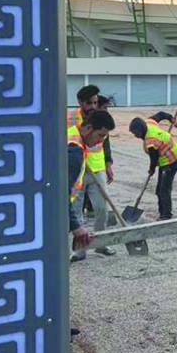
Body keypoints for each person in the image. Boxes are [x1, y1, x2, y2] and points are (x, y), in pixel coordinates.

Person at [68, 111, 115, 261]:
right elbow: (60, 193)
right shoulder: (74, 151)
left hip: (97, 170)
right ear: (88, 128)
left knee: (101, 208)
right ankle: (78, 251)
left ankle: (100, 245)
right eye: (100, 135)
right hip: (61, 207)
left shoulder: (73, 135)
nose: (101, 141)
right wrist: (76, 227)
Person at [128, 113, 177, 220]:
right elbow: (160, 115)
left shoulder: (150, 141)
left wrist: (151, 170)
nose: (135, 136)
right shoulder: (149, 122)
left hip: (170, 161)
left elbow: (154, 159)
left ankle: (166, 215)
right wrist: (169, 117)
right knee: (159, 190)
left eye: (135, 133)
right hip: (166, 157)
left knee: (163, 190)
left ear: (140, 130)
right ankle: (163, 212)